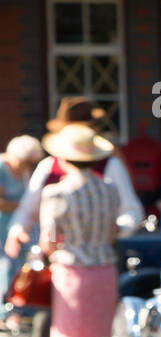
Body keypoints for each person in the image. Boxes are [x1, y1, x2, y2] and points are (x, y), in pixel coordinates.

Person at [3, 97, 142, 260]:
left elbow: (131, 210)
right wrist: (17, 230)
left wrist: (116, 230)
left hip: (99, 256)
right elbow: (29, 208)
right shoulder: (48, 166)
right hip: (64, 259)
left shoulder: (111, 166)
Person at [37, 124, 121, 337]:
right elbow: (114, 232)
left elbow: (48, 240)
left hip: (73, 273)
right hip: (105, 272)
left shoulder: (57, 193)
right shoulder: (109, 189)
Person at [0, 135, 44, 291]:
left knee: (23, 266)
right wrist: (24, 207)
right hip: (2, 226)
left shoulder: (25, 171)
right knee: (5, 266)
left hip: (20, 226)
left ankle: (19, 306)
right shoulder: (1, 168)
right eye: (25, 162)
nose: (27, 166)